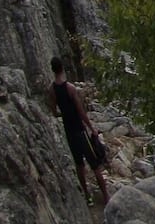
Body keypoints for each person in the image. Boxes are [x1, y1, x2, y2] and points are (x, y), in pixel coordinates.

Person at [51, 57, 107, 204]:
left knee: (79, 165)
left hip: (69, 132)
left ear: (52, 70)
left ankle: (88, 196)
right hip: (80, 131)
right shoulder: (70, 88)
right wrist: (91, 128)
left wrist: (63, 113)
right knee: (94, 164)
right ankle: (106, 196)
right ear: (62, 68)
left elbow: (53, 111)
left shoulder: (52, 90)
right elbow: (81, 112)